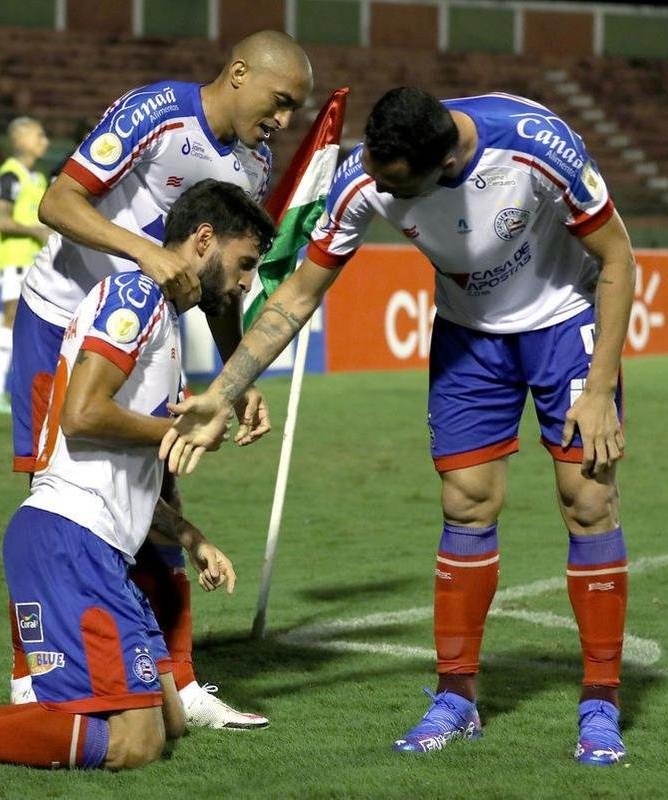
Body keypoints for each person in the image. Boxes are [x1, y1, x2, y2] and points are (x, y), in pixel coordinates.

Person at [160, 87, 638, 765]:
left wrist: (598, 389)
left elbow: (619, 258)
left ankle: (600, 702)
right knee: (466, 502)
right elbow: (299, 292)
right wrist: (227, 387)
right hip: (469, 335)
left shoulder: (537, 146)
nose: (381, 192)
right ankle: (456, 697)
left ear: (445, 162)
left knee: (588, 500)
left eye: (397, 185)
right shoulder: (366, 174)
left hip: (566, 320)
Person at [0, 179, 273, 770]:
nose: (246, 283)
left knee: (170, 720)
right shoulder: (134, 295)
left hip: (96, 547)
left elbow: (117, 473)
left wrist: (191, 537)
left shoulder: (162, 324)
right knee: (137, 745)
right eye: (244, 265)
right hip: (69, 540)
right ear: (203, 239)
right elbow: (83, 415)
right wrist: (178, 432)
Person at [5, 29, 313, 729]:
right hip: (61, 319)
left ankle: (181, 680)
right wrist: (143, 252)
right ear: (239, 73)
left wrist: (237, 378)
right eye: (282, 100)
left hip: (149, 325)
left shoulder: (256, 167)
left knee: (159, 481)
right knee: (53, 496)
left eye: (297, 108)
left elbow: (222, 287)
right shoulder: (155, 114)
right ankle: (31, 678)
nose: (285, 120)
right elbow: (58, 203)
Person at [0, 116, 52, 414]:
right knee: (10, 320)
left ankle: (31, 388)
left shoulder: (37, 179)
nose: (45, 141)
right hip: (16, 261)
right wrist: (36, 230)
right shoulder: (9, 176)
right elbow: (2, 220)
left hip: (38, 261)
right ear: (20, 139)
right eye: (39, 135)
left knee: (38, 326)